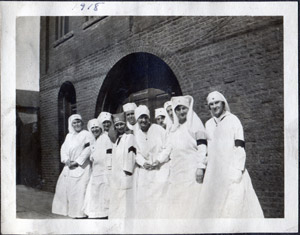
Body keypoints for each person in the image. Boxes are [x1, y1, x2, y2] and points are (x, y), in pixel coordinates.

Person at [197, 91, 264, 218]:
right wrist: (202, 165)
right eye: (211, 104)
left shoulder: (233, 120)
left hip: (232, 171)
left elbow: (239, 147)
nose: (214, 106)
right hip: (214, 175)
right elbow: (207, 150)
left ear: (223, 103)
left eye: (216, 102)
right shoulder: (208, 124)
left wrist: (237, 170)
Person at [154, 95, 207, 218]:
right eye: (178, 109)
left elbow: (202, 147)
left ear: (188, 109)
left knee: (193, 204)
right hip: (177, 171)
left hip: (192, 171)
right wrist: (158, 160)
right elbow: (168, 148)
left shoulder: (196, 125)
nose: (181, 112)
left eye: (184, 108)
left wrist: (200, 167)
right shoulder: (173, 129)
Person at [52, 114, 94, 218]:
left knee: (79, 191)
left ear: (82, 123)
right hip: (69, 167)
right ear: (71, 124)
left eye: (78, 122)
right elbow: (63, 149)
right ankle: (71, 212)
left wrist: (76, 162)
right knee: (68, 191)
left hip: (82, 167)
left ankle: (80, 214)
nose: (77, 124)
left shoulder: (87, 134)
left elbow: (88, 150)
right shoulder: (69, 136)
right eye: (74, 123)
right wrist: (66, 161)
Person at [134, 105, 169, 218]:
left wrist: (159, 160)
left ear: (149, 118)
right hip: (145, 170)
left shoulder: (158, 129)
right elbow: (136, 153)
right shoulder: (136, 134)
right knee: (145, 200)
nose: (143, 120)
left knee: (159, 199)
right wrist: (143, 162)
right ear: (137, 119)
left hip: (160, 168)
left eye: (145, 117)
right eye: (140, 118)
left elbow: (168, 147)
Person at [83, 119, 112, 219]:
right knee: (94, 193)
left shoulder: (105, 138)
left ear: (100, 128)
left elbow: (109, 153)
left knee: (104, 192)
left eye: (97, 127)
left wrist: (109, 168)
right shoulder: (93, 140)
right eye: (93, 128)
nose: (95, 129)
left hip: (104, 171)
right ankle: (96, 213)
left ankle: (104, 213)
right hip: (95, 171)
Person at [109, 112, 136, 219]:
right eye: (117, 125)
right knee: (117, 199)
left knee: (125, 199)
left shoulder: (129, 137)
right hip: (116, 174)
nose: (119, 127)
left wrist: (127, 170)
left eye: (121, 124)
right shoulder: (117, 140)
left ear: (125, 124)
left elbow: (131, 153)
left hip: (125, 173)